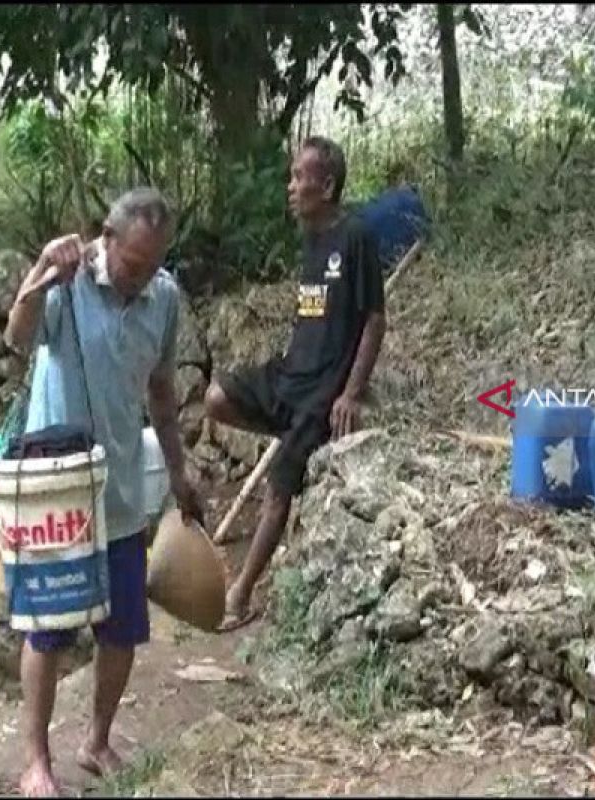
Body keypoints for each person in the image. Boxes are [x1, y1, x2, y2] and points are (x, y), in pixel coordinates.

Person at [3, 187, 205, 797]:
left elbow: (162, 395)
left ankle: (95, 741)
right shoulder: (67, 280)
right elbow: (17, 337)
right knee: (47, 627)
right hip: (55, 490)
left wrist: (177, 474)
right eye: (130, 263)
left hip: (118, 489)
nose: (139, 276)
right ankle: (36, 760)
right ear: (105, 240)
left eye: (152, 265)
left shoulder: (161, 298)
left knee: (121, 628)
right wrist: (39, 272)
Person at [204, 136, 387, 632]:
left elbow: (373, 320)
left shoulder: (356, 237)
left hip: (322, 390)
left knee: (277, 487)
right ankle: (294, 444)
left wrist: (350, 392)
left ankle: (240, 595)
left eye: (299, 177)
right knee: (216, 398)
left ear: (326, 185)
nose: (291, 187)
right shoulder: (311, 237)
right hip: (289, 373)